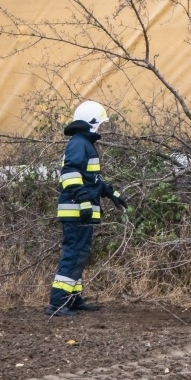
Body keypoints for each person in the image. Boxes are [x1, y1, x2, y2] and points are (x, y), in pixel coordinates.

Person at [46, 100, 128, 317]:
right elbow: (70, 174)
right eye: (99, 124)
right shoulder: (79, 143)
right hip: (75, 211)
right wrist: (83, 201)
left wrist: (110, 193)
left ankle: (72, 299)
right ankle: (57, 303)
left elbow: (92, 180)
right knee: (73, 254)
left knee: (80, 254)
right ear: (91, 123)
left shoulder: (84, 143)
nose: (100, 128)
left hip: (80, 210)